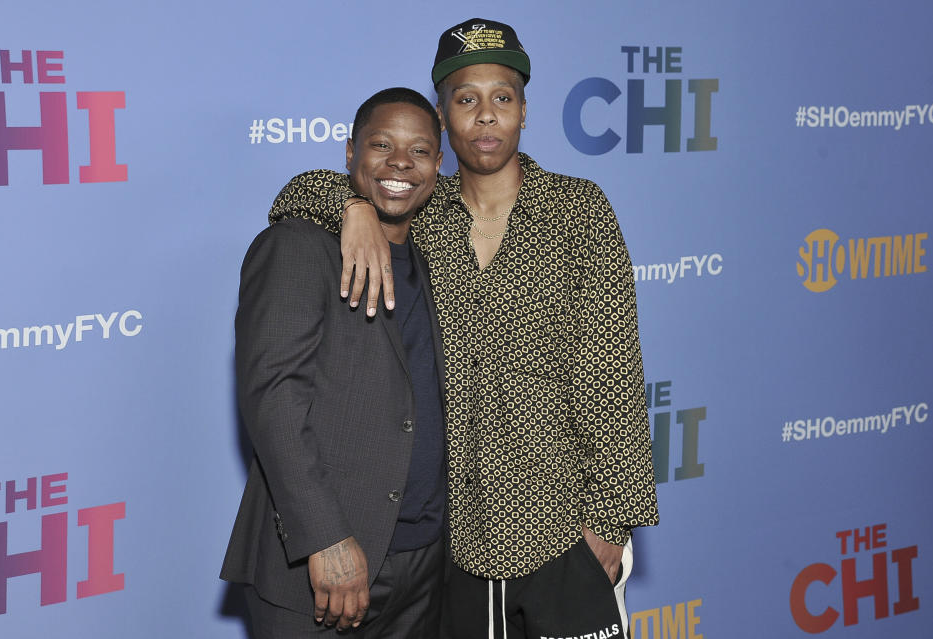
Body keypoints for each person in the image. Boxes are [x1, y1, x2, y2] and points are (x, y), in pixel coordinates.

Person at [268, 18, 659, 639]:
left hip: (564, 528)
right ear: (444, 121)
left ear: (525, 112)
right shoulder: (420, 213)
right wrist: (354, 207)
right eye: (466, 100)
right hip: (461, 544)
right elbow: (296, 192)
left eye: (502, 98)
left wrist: (610, 521)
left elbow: (615, 374)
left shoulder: (580, 210)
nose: (485, 117)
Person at [220, 87, 447, 638]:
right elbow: (272, 396)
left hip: (424, 560)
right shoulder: (297, 247)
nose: (400, 163)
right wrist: (325, 536)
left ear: (439, 167)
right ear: (349, 153)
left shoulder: (439, 252)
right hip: (326, 567)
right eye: (382, 145)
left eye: (419, 151)